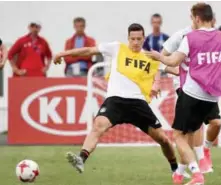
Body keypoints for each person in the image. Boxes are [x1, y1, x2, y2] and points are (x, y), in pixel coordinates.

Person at [145, 3, 221, 184]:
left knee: (179, 136)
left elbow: (173, 59)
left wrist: (159, 58)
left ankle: (197, 173)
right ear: (212, 18)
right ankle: (180, 174)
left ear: (196, 18)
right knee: (189, 133)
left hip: (190, 93)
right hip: (212, 97)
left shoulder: (190, 37)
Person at [53, 23, 180, 176]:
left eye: (139, 39)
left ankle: (175, 168)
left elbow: (174, 69)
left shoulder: (150, 58)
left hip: (138, 104)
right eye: (132, 39)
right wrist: (62, 53)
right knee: (98, 125)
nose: (135, 42)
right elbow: (88, 50)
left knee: (164, 140)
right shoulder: (117, 48)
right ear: (128, 38)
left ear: (143, 39)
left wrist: (198, 69)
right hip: (115, 101)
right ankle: (81, 159)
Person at [161, 20, 221, 175]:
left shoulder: (211, 36)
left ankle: (187, 166)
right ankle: (200, 162)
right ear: (195, 18)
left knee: (215, 123)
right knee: (192, 127)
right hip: (184, 86)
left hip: (205, 85)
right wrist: (171, 70)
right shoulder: (180, 35)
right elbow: (162, 58)